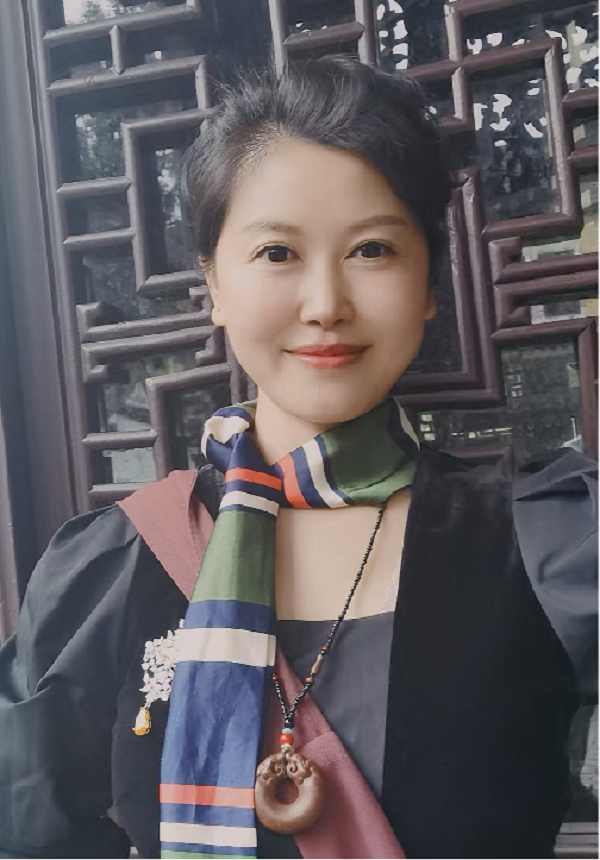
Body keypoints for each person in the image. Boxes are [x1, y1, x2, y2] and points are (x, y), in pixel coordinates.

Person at [0, 55, 597, 860]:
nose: (326, 305)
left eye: (372, 250)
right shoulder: (116, 566)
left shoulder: (547, 544)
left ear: (428, 283)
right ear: (214, 284)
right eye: (278, 253)